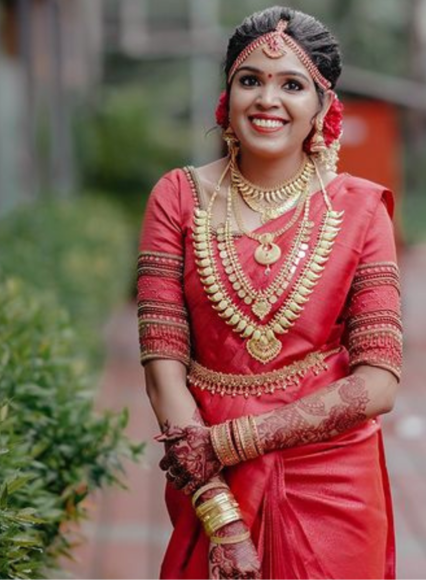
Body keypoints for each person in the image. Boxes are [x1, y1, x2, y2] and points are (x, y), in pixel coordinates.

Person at [136, 6, 403, 579]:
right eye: (250, 80)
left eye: (292, 85)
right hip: (208, 474)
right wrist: (222, 517)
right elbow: (163, 369)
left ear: (323, 108)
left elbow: (378, 381)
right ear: (227, 96)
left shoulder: (360, 209)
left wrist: (233, 441)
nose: (267, 99)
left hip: (331, 478)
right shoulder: (177, 198)